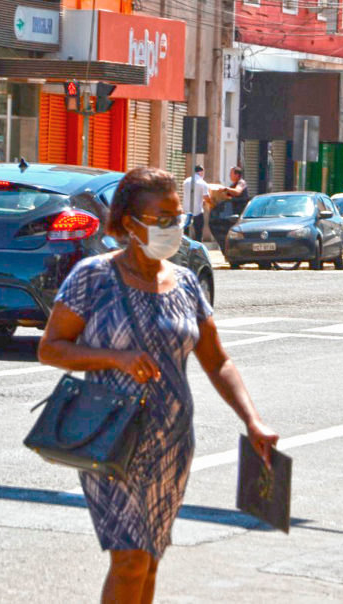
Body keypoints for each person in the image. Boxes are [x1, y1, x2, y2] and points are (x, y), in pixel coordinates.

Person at [38, 167, 279, 604]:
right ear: (130, 224)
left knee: (149, 558)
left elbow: (217, 360)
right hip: (110, 438)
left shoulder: (186, 282)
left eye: (178, 216)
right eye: (163, 217)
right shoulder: (92, 277)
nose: (175, 226)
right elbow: (51, 348)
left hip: (172, 440)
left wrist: (253, 420)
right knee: (128, 558)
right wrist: (116, 358)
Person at [181, 164, 210, 242]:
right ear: (201, 172)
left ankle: (185, 245)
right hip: (197, 210)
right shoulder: (202, 183)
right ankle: (198, 244)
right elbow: (206, 197)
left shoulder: (186, 181)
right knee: (198, 231)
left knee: (185, 231)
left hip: (186, 209)